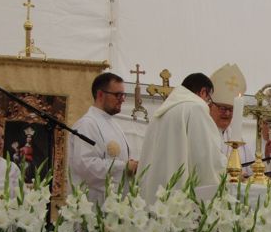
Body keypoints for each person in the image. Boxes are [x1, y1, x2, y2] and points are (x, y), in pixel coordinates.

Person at [138, 72, 226, 202]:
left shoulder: (161, 113)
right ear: (203, 92)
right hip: (179, 199)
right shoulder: (195, 109)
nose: (207, 104)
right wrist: (225, 173)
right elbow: (204, 155)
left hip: (153, 193)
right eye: (208, 99)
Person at [69, 72, 138, 206]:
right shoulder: (87, 124)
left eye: (123, 95)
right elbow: (85, 165)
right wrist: (124, 167)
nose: (122, 99)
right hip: (94, 204)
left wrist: (131, 165)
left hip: (114, 203)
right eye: (118, 95)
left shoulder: (113, 123)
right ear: (100, 94)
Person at [208, 63, 255, 178]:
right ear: (210, 106)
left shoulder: (237, 138)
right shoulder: (204, 133)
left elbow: (251, 170)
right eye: (223, 108)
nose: (228, 113)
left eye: (231, 109)